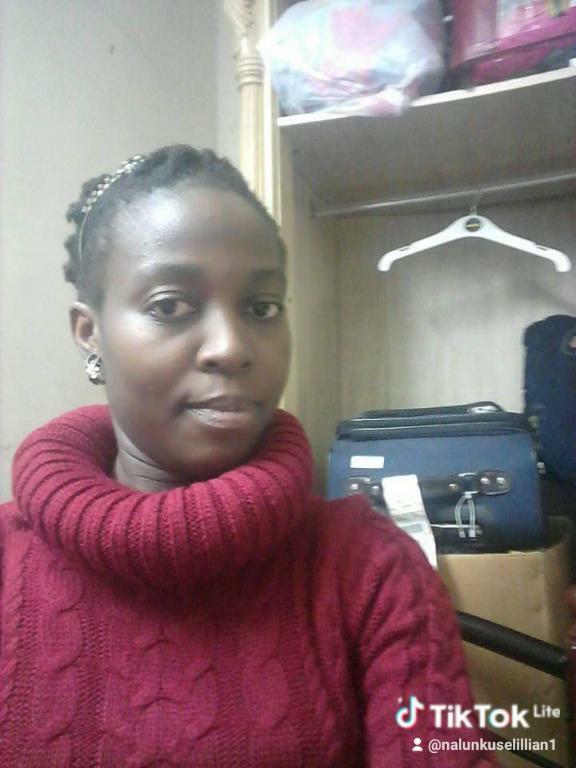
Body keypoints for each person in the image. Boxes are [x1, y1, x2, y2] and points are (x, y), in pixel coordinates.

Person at [0, 145, 495, 766]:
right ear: (89, 332)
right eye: (170, 306)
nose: (232, 347)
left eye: (262, 308)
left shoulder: (371, 568)